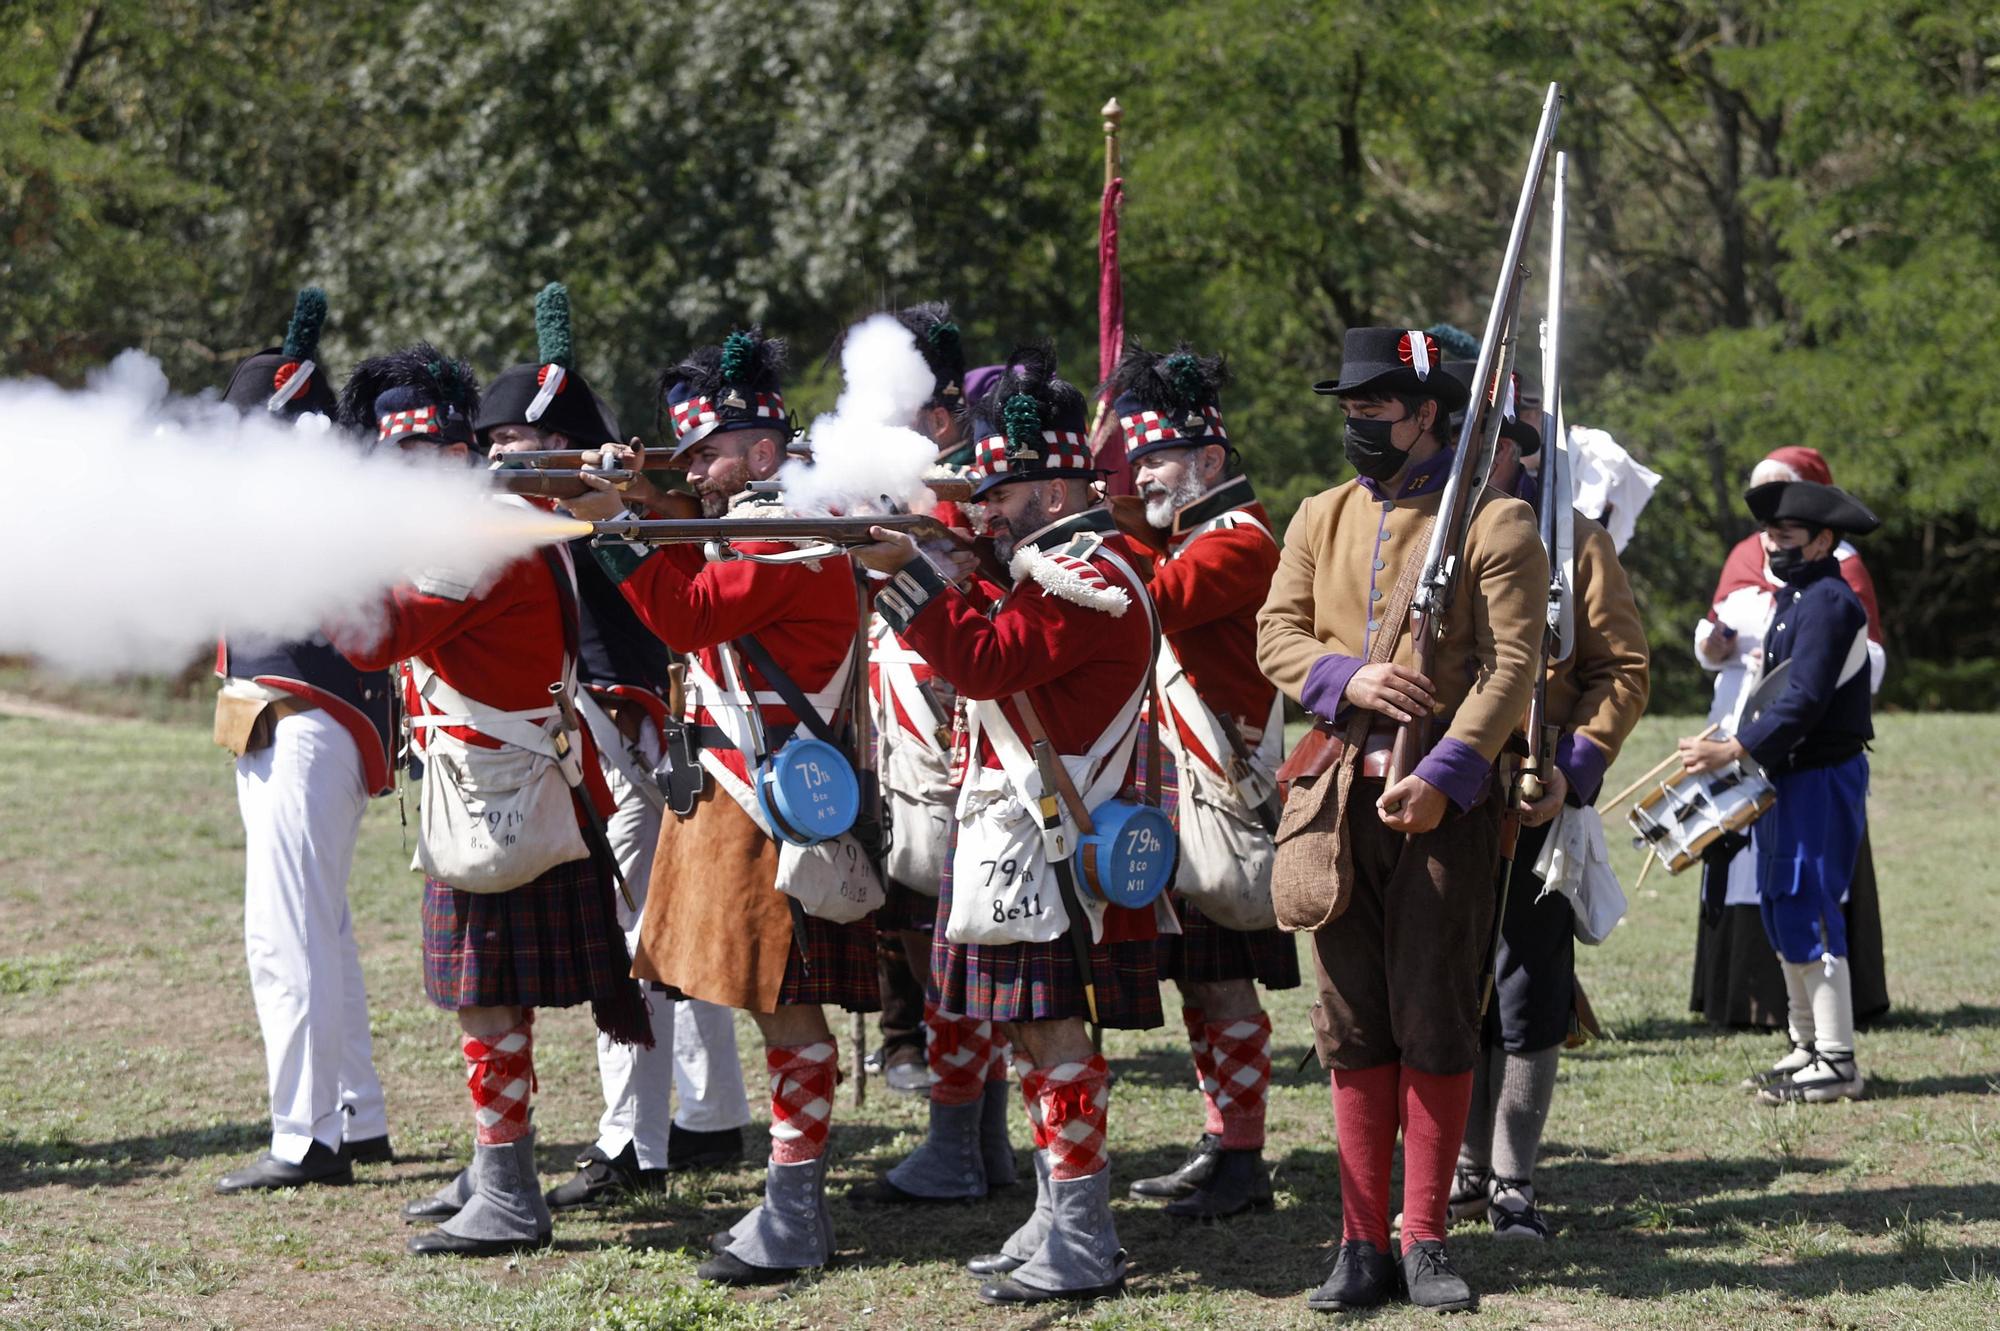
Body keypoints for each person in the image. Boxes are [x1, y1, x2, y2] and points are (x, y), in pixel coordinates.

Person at [562, 328, 879, 1285]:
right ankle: (792, 1200)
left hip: (775, 796)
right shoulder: (757, 519)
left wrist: (614, 519)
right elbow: (698, 573)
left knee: (788, 1012)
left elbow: (689, 612)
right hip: (747, 792)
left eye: (709, 451)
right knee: (774, 1008)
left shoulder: (792, 529)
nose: (695, 468)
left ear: (764, 450)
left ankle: (795, 1207)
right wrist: (625, 500)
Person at [854, 347, 1162, 1306]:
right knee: (1033, 1041)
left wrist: (908, 577)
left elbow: (985, 664)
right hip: (1021, 837)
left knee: (1056, 1040)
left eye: (1005, 486)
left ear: (1059, 478)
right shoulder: (1047, 566)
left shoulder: (1085, 576)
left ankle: (1085, 1234)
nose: (986, 502)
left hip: (1049, 843)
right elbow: (996, 633)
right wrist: (948, 567)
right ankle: (1055, 1213)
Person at [331, 344, 651, 1257]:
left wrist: (312, 560)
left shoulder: (473, 536)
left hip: (501, 790)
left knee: (487, 1002)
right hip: (494, 781)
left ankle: (509, 1187)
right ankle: (493, 1165)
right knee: (489, 998)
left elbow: (376, 637)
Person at [1257, 326, 1545, 1314]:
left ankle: (1422, 1236)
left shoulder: (1496, 523)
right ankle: (1356, 1239)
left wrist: (1449, 773)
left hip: (1441, 806)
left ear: (1425, 413)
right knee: (1348, 1026)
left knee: (1431, 1016)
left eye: (1373, 407)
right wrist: (1348, 675)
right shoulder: (1317, 516)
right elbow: (1276, 635)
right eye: (1348, 407)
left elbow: (1511, 666)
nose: (1356, 423)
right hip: (1334, 794)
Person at [469, 285, 750, 1211]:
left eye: (520, 448)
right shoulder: (557, 504)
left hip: (633, 737)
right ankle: (708, 1116)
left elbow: (666, 523)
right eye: (499, 448)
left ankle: (638, 1140)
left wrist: (611, 478)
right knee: (665, 934)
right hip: (613, 734)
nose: (503, 462)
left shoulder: (618, 495)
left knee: (635, 945)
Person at [1442, 361, 1650, 1242]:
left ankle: (1513, 1178)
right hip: (1438, 791)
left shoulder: (1576, 541)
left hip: (1536, 793)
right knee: (1447, 981)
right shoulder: (1416, 539)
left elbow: (1623, 671)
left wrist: (1573, 767)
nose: (1489, 458)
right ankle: (1456, 1161)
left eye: (1505, 441)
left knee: (1527, 987)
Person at [1100, 341, 1298, 1221]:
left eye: (1158, 458)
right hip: (1180, 782)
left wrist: (1084, 525)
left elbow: (1151, 602)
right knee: (1196, 981)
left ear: (1209, 461)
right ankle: (1222, 1138)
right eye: (1136, 457)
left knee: (1222, 983)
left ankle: (1244, 1153)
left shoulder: (1242, 540)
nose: (1143, 473)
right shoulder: (1188, 533)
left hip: (1220, 782)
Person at [212, 288, 398, 1195]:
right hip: (288, 722)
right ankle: (355, 1114)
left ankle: (304, 1138)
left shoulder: (308, 496)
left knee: (284, 938)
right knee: (320, 930)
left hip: (305, 724)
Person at [857, 305, 1024, 1204]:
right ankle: (981, 1144)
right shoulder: (917, 486)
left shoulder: (970, 491)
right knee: (936, 941)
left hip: (956, 735)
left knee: (948, 945)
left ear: (940, 413)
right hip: (916, 733)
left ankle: (960, 1144)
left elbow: (985, 591)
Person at [1678, 479, 1880, 1104]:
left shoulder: (1828, 602)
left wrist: (1732, 750)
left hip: (1819, 776)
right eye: (1768, 534)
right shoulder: (1799, 597)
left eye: (1786, 536)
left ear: (1824, 540)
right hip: (1788, 775)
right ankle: (1807, 1045)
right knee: (1781, 904)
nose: (1772, 544)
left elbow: (1803, 701)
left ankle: (1838, 1059)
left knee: (1811, 905)